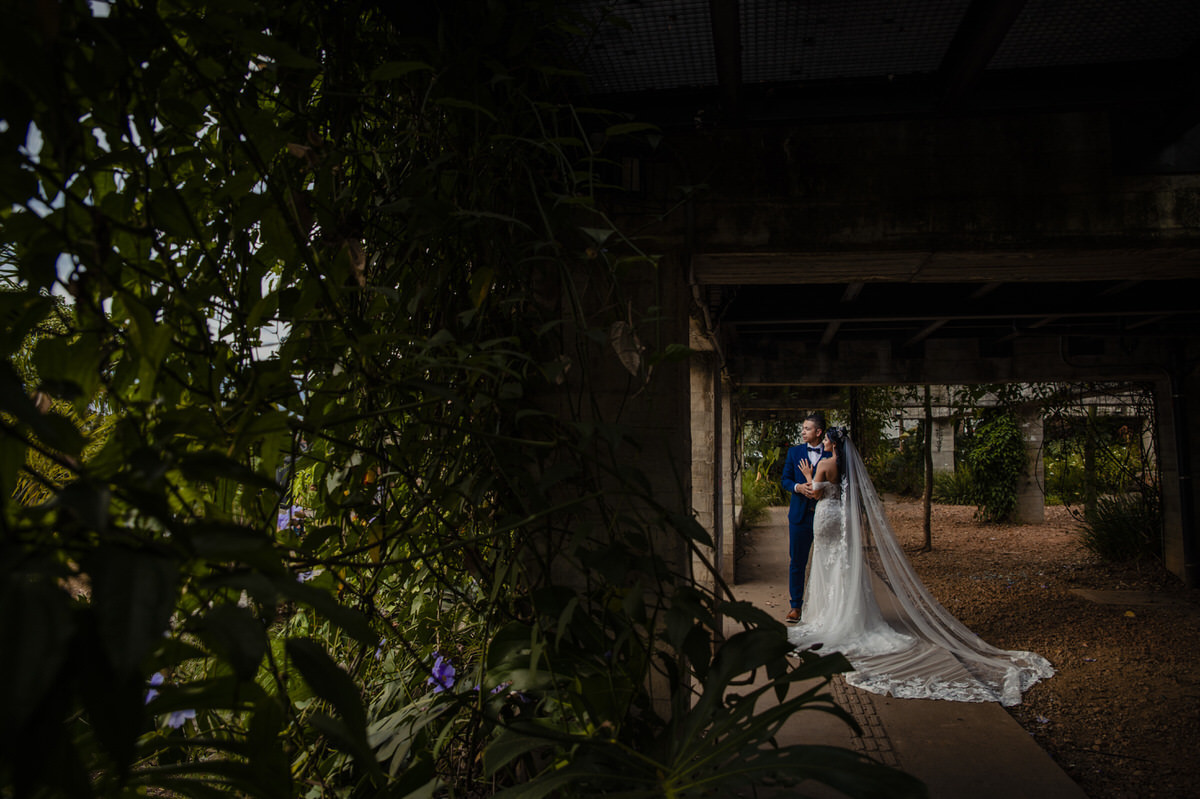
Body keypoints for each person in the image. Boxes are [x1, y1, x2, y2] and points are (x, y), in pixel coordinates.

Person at [788, 427, 1054, 706]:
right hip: (843, 519)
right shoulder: (847, 467)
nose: (824, 441)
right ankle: (852, 615)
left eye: (826, 438)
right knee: (844, 564)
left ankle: (831, 617)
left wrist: (807, 476)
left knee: (826, 565)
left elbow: (815, 494)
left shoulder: (825, 463)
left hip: (826, 517)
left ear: (830, 441)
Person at [780, 413, 828, 622]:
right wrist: (798, 487)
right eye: (803, 428)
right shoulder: (794, 452)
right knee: (797, 562)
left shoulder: (832, 454)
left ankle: (826, 606)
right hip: (799, 517)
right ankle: (796, 607)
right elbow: (785, 480)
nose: (803, 431)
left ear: (818, 432)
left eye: (807, 428)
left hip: (825, 516)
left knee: (826, 561)